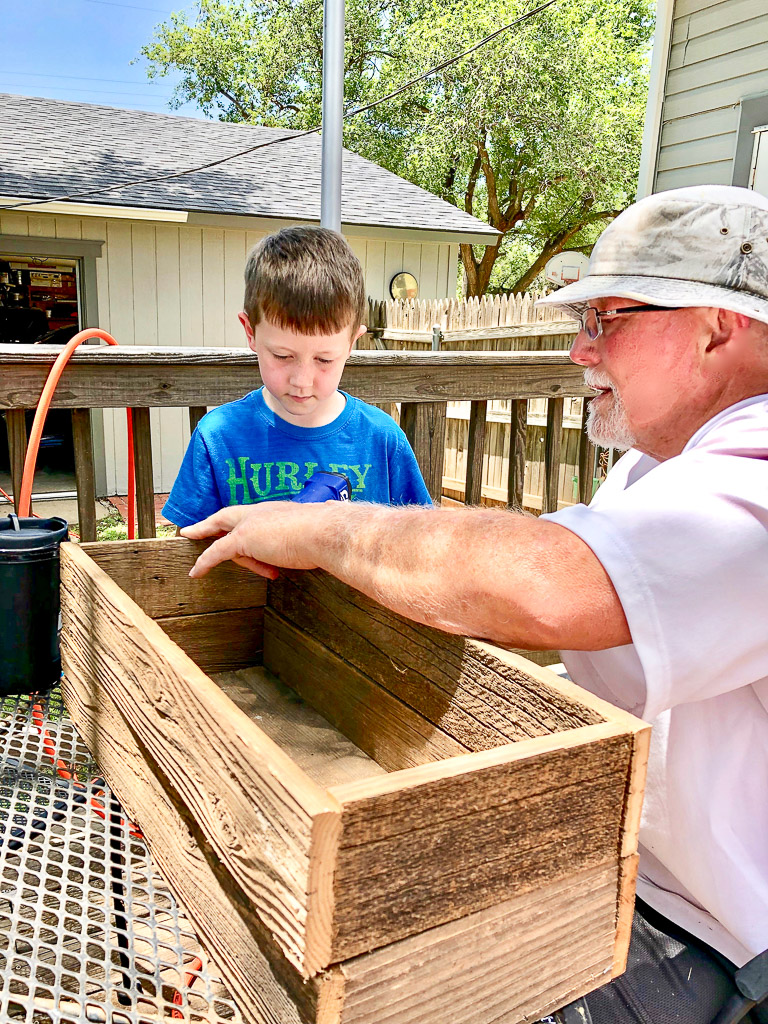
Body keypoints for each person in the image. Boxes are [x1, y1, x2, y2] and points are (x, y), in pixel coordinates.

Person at [180, 185, 768, 1023]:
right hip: (621, 858)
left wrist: (321, 531)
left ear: (715, 325)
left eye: (607, 319)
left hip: (709, 933)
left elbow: (549, 583)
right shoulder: (657, 462)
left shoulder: (756, 481)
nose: (580, 351)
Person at [162, 226, 431, 528]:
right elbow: (189, 546)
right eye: (282, 356)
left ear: (352, 343)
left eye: (324, 359)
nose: (302, 381)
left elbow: (419, 539)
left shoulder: (382, 438)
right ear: (250, 331)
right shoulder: (218, 437)